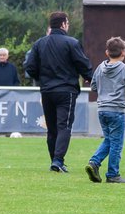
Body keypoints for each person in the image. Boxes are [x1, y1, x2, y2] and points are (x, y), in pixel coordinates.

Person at [23, 11, 93, 173]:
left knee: (52, 128)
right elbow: (83, 64)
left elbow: (30, 67)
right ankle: (58, 160)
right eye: (67, 23)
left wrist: (42, 80)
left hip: (47, 91)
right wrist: (90, 78)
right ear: (63, 24)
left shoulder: (39, 43)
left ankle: (54, 160)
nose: (68, 25)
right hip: (66, 91)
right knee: (64, 126)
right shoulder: (72, 43)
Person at [85, 36, 125, 184]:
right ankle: (112, 174)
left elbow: (93, 87)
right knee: (117, 143)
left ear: (106, 52)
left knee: (109, 139)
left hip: (102, 109)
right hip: (116, 110)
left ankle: (94, 163)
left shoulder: (100, 68)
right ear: (123, 52)